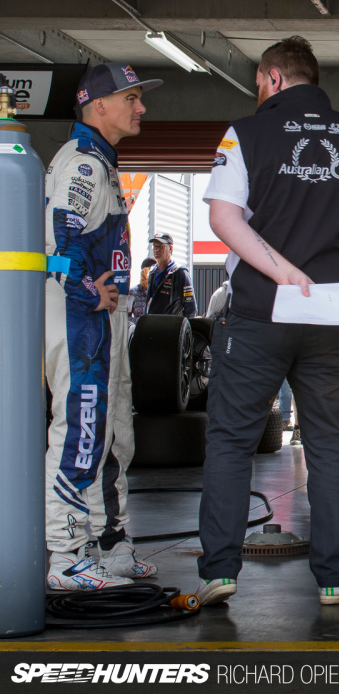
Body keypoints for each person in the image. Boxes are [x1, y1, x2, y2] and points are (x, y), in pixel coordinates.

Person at [196, 36, 339, 607]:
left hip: (261, 311)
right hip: (331, 314)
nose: (257, 90)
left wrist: (282, 270)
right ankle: (336, 579)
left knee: (232, 441)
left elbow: (223, 219)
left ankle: (219, 573)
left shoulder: (245, 133)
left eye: (258, 81)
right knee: (328, 445)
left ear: (272, 78)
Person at [44, 62, 163, 590]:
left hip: (99, 322)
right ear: (98, 105)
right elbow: (54, 245)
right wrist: (90, 292)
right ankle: (66, 554)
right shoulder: (82, 165)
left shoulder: (101, 162)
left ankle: (109, 544)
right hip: (78, 320)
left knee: (113, 434)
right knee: (80, 431)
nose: (141, 107)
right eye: (131, 98)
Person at [146, 232, 197, 316]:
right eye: (155, 246)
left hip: (172, 323)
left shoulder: (180, 272)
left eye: (161, 246)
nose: (157, 250)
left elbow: (191, 308)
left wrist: (181, 324)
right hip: (153, 322)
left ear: (170, 248)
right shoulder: (152, 272)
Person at [129, 257, 155, 325]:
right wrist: (141, 322)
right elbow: (126, 317)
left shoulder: (160, 292)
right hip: (138, 329)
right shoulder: (133, 292)